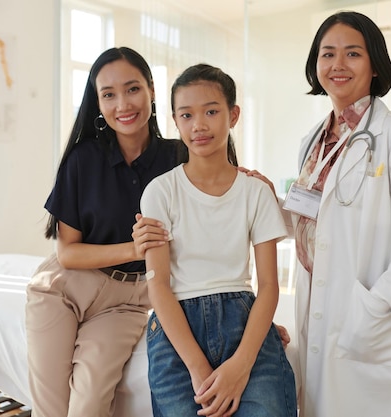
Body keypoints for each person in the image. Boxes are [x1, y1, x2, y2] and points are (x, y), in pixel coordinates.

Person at [134, 11, 391, 417]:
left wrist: (378, 303)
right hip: (326, 313)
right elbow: (318, 222)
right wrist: (269, 203)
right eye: (328, 54)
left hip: (377, 319)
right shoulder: (315, 142)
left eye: (352, 54)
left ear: (375, 64)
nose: (338, 65)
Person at [25, 46, 187, 417]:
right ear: (97, 103)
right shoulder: (83, 159)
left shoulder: (178, 157)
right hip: (64, 289)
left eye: (132, 89)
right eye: (108, 95)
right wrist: (135, 248)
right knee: (51, 409)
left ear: (151, 90)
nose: (123, 104)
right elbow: (68, 253)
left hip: (128, 302)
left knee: (89, 405)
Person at [139, 63, 297, 417]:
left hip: (242, 318)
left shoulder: (256, 192)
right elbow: (159, 287)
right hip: (175, 328)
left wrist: (241, 365)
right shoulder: (159, 192)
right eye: (187, 115)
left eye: (211, 111)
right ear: (176, 122)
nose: (199, 125)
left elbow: (269, 285)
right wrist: (198, 368)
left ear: (233, 115)